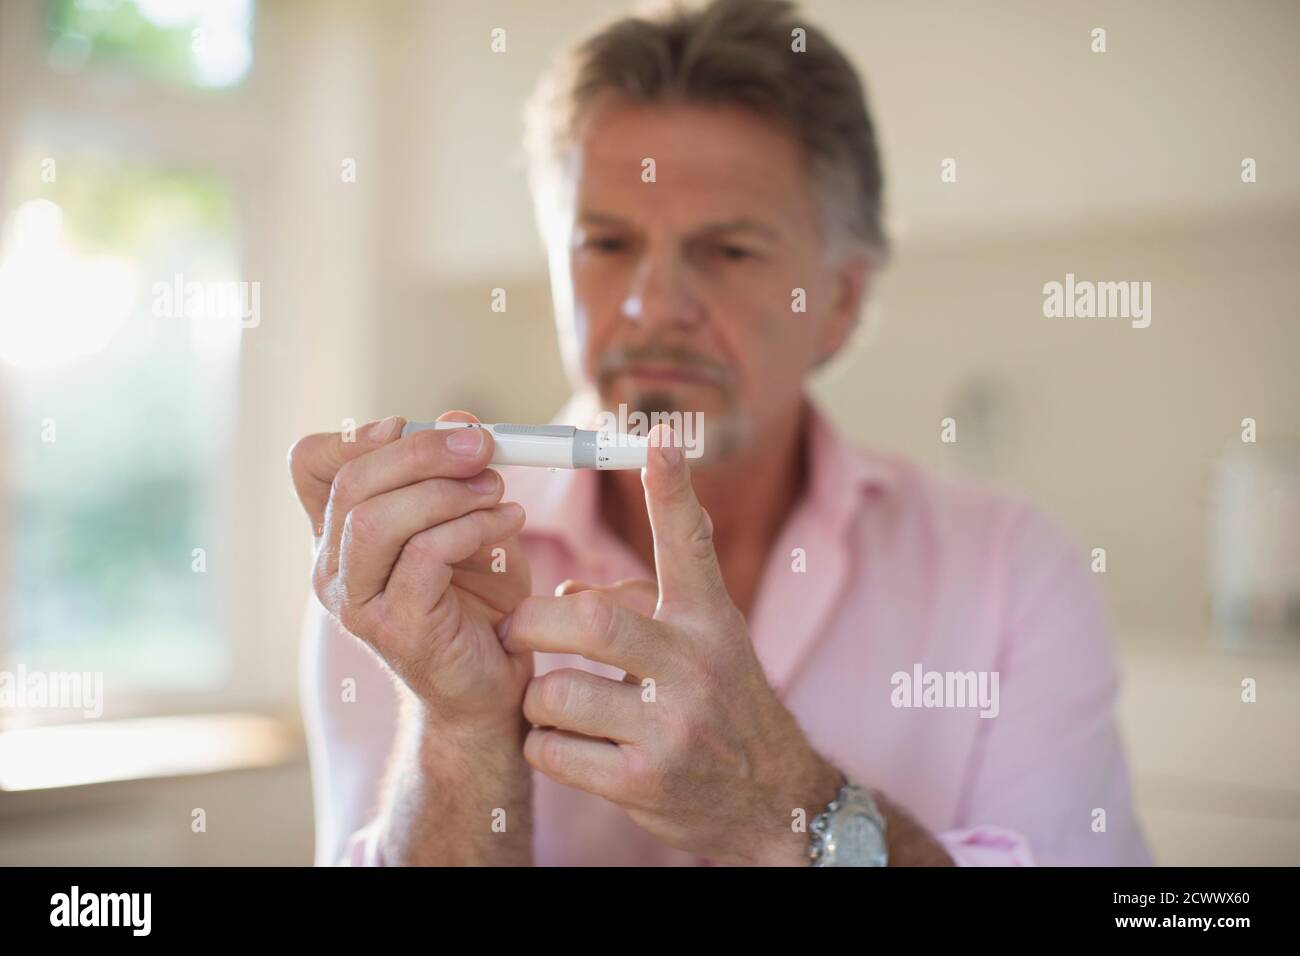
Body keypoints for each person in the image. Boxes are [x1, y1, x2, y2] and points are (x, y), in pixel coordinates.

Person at [290, 0, 1150, 866]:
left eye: (729, 251)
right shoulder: (409, 573)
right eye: (606, 242)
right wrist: (458, 736)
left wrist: (782, 804)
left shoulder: (1011, 577)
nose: (652, 308)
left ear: (840, 304)